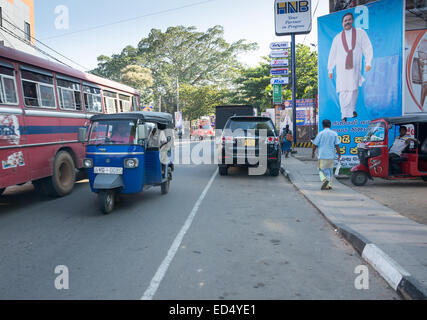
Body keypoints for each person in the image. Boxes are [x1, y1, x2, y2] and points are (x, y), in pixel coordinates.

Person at [328, 12, 373, 122]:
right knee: (343, 91)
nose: (347, 22)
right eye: (345, 20)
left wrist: (368, 62)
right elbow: (332, 54)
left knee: (354, 89)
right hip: (342, 70)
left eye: (349, 20)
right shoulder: (337, 38)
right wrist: (330, 69)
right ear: (342, 23)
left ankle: (352, 110)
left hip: (355, 68)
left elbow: (367, 47)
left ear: (352, 21)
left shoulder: (360, 33)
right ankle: (344, 114)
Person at [312, 119, 341, 190]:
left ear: (322, 125)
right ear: (330, 125)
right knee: (330, 170)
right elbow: (337, 145)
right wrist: (339, 154)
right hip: (331, 155)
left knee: (321, 169)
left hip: (322, 155)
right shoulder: (334, 134)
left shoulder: (320, 133)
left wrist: (312, 152)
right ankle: (329, 185)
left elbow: (315, 144)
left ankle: (325, 180)